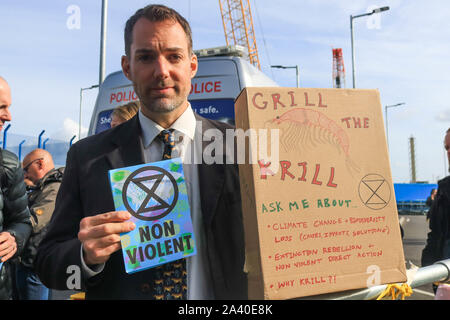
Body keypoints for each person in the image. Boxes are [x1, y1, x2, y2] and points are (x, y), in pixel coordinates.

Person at [35, 5, 246, 300]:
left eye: (174, 56)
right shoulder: (87, 157)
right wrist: (85, 256)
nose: (162, 71)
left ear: (192, 65)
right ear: (127, 67)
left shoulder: (239, 148)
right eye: (146, 57)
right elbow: (48, 264)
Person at [16, 149, 63, 300]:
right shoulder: (44, 187)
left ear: (40, 164)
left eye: (26, 169)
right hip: (32, 261)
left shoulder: (54, 188)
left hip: (35, 264)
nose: (25, 174)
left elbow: (34, 221)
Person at [0, 77, 32, 300]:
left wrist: (14, 238)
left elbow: (22, 221)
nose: (8, 116)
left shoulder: (8, 165)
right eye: (2, 107)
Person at [422, 128, 450, 269]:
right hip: (445, 279)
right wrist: (428, 269)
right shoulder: (444, 190)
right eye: (447, 148)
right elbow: (435, 235)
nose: (449, 152)